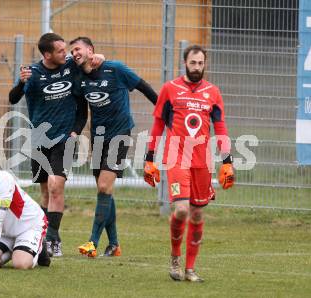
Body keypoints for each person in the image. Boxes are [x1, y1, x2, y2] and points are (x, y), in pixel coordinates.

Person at [143, 45, 234, 282]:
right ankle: (175, 259)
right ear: (185, 63)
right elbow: (158, 126)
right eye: (193, 63)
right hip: (176, 158)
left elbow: (220, 127)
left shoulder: (213, 92)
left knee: (196, 215)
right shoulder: (169, 89)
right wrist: (149, 159)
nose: (196, 67)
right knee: (182, 210)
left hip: (202, 161)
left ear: (205, 65)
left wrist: (227, 161)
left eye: (200, 63)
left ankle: (190, 269)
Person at [9, 33, 101, 257]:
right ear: (47, 54)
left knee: (55, 186)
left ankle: (52, 241)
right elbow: (12, 98)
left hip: (65, 139)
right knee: (45, 193)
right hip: (40, 139)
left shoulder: (71, 65)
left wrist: (98, 56)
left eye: (65, 50)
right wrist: (21, 82)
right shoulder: (33, 73)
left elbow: (91, 62)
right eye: (60, 51)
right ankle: (46, 237)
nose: (66, 53)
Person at [69, 37, 157, 257]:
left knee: (103, 188)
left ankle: (92, 242)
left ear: (91, 50)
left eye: (77, 49)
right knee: (104, 189)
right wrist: (75, 131)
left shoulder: (115, 69)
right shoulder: (79, 77)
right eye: (72, 51)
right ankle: (115, 244)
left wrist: (164, 112)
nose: (74, 53)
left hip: (119, 135)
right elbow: (81, 110)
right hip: (98, 138)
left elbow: (144, 87)